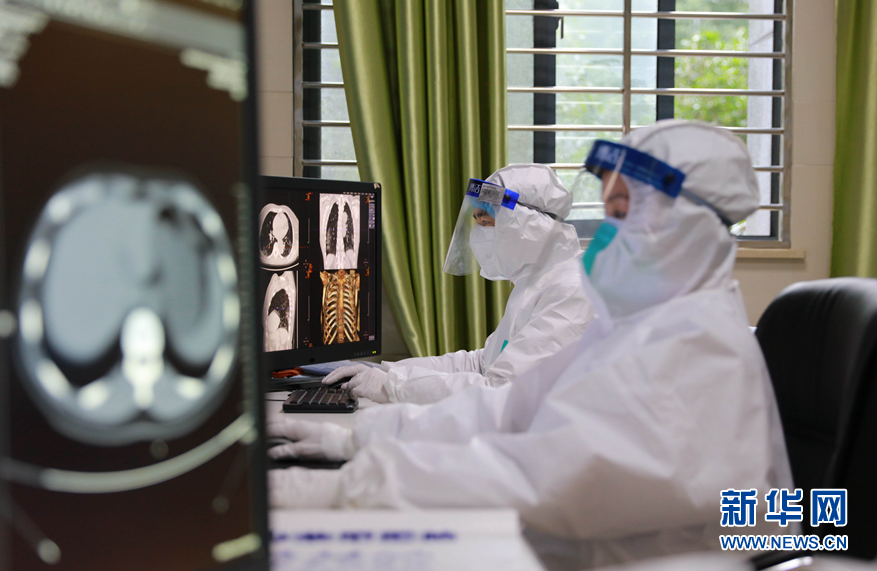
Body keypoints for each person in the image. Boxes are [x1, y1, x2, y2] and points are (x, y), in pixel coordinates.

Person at [270, 121, 792, 570]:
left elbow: (546, 478)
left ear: (690, 222)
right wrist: (361, 437)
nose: (608, 234)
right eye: (609, 212)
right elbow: (511, 407)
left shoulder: (700, 349)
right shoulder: (643, 325)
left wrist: (349, 487)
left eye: (624, 212)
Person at [319, 164, 594, 405]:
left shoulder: (573, 291)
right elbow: (481, 363)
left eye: (486, 222)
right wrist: (389, 372)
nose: (478, 234)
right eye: (477, 222)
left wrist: (392, 387)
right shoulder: (535, 283)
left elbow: (501, 389)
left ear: (528, 226)